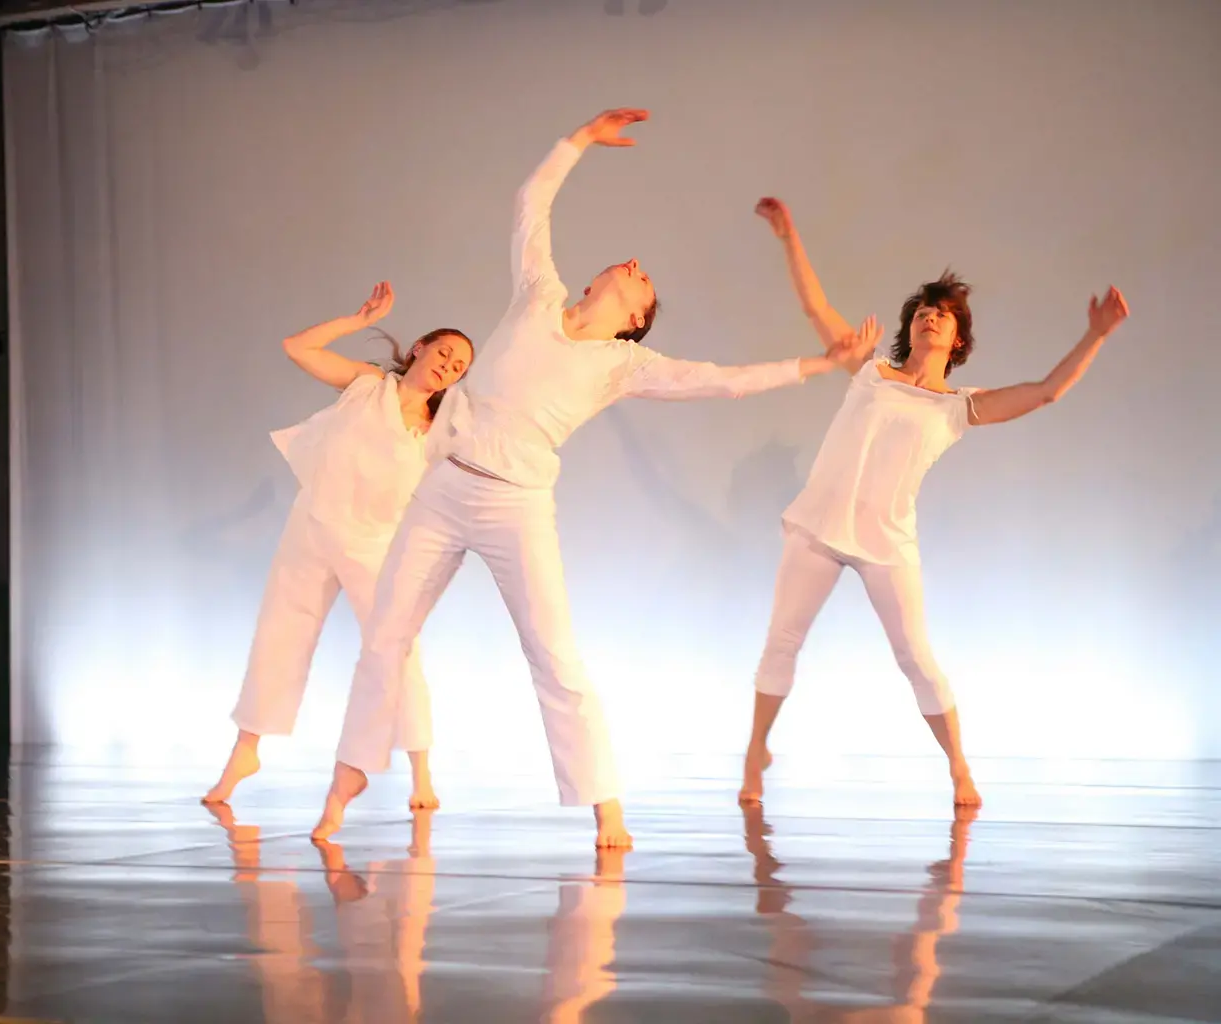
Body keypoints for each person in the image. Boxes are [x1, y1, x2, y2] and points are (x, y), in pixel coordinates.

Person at [312, 108, 875, 848]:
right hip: (444, 490)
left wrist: (818, 365)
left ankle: (606, 804)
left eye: (645, 282)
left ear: (636, 318)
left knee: (552, 653)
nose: (635, 266)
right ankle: (343, 790)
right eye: (633, 266)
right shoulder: (537, 297)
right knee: (384, 636)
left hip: (517, 507)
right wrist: (578, 141)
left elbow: (721, 381)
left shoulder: (625, 365)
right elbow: (529, 207)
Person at [741, 196, 1131, 807]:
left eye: (943, 316)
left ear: (958, 340)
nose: (930, 317)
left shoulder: (959, 406)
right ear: (911, 326)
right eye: (924, 310)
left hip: (885, 540)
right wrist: (790, 237)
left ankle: (959, 768)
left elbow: (1047, 392)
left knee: (916, 659)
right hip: (818, 524)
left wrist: (1096, 334)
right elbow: (816, 308)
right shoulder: (870, 372)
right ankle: (754, 759)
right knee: (781, 640)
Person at [202, 282, 474, 809]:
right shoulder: (368, 385)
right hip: (313, 524)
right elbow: (297, 347)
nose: (449, 366)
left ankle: (421, 770)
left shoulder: (439, 431)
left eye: (460, 366)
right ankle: (246, 749)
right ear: (419, 347)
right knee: (280, 634)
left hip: (374, 544)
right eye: (444, 352)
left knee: (394, 649)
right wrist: (356, 319)